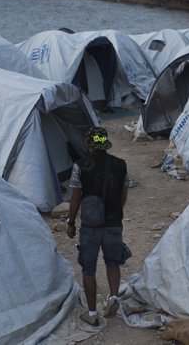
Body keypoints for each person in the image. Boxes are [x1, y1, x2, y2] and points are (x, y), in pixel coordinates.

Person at [66, 126, 130, 327]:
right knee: (113, 262)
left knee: (88, 269)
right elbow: (123, 196)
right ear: (105, 144)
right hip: (113, 223)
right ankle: (113, 299)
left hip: (90, 226)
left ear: (87, 144)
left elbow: (75, 197)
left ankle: (92, 313)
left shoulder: (80, 166)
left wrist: (70, 222)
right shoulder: (120, 165)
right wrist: (113, 213)